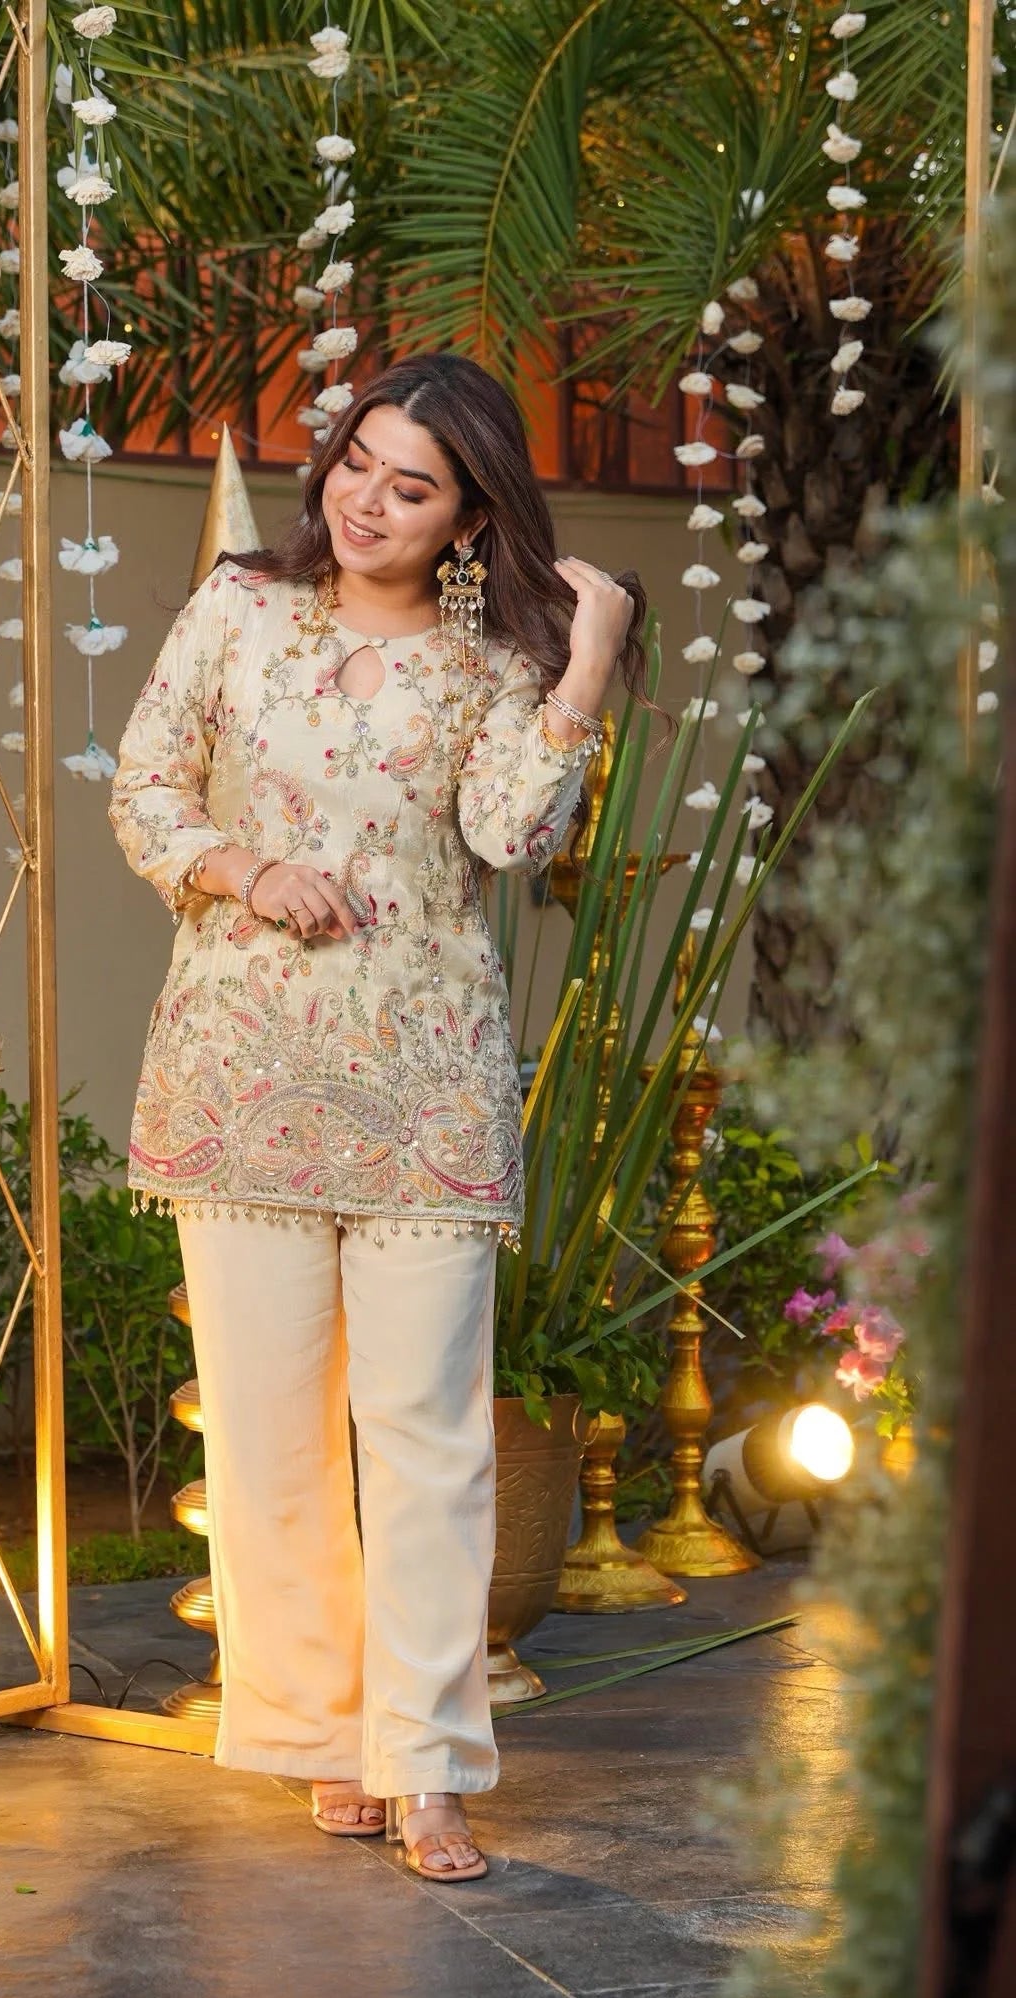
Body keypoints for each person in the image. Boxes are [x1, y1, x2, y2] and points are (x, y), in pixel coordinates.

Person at [108, 353, 650, 1883]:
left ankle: (429, 1767)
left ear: (468, 520)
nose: (367, 501)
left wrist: (585, 663)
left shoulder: (494, 666)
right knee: (270, 1438)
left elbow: (510, 831)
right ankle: (317, 1736)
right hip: (239, 1077)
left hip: (425, 1092)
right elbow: (144, 790)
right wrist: (246, 870)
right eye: (356, 462)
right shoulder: (238, 611)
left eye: (411, 487)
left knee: (428, 1439)